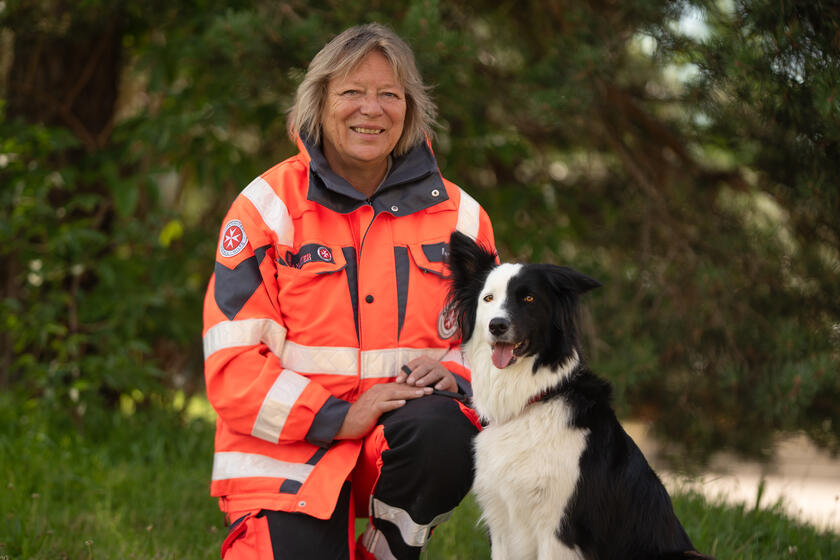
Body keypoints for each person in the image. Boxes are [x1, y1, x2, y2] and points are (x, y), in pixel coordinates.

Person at [202, 23, 496, 559]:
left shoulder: (464, 219)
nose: (372, 108)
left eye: (389, 94)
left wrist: (457, 375)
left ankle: (390, 550)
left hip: (395, 447)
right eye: (352, 92)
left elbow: (503, 349)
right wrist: (339, 417)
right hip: (287, 456)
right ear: (319, 102)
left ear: (410, 109)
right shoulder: (265, 210)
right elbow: (234, 365)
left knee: (442, 433)